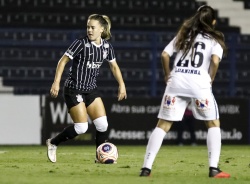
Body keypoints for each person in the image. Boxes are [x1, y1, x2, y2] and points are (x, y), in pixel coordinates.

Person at [139, 5, 230, 178]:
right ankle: (213, 168)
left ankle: (146, 168)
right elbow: (215, 61)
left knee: (163, 126)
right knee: (213, 124)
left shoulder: (184, 35)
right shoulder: (214, 39)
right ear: (213, 22)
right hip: (199, 85)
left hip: (176, 82)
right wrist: (211, 78)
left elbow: (165, 55)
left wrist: (167, 75)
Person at [46, 14, 127, 163]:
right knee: (82, 127)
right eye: (88, 27)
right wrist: (56, 82)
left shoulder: (107, 47)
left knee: (102, 124)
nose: (89, 30)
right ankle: (53, 143)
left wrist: (122, 84)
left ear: (101, 29)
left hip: (90, 89)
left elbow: (114, 67)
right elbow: (62, 61)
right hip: (73, 89)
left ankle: (99, 157)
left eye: (92, 27)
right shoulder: (80, 44)